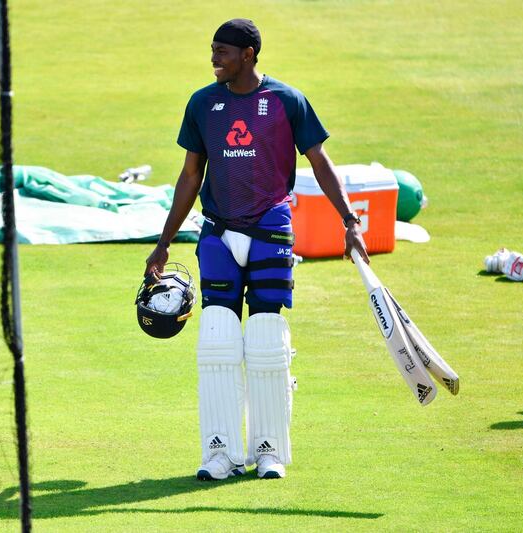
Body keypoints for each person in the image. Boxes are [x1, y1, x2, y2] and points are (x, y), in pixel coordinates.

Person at [144, 18, 370, 480]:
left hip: (271, 227)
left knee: (267, 340)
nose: (214, 59)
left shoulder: (287, 101)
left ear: (248, 54)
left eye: (222, 52)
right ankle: (219, 453)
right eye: (212, 50)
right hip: (217, 231)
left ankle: (270, 451)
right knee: (218, 339)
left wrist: (350, 221)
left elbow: (320, 162)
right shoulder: (203, 103)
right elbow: (191, 176)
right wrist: (163, 244)